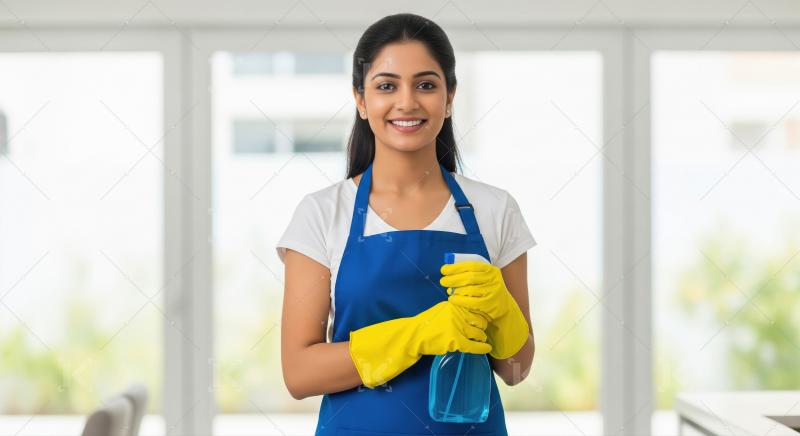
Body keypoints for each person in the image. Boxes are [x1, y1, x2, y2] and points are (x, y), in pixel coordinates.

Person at [276, 13, 537, 436]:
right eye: (386, 85)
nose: (407, 102)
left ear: (450, 97)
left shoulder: (495, 208)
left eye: (426, 84)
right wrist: (417, 334)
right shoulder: (323, 213)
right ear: (361, 100)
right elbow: (299, 373)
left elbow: (516, 369)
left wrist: (504, 316)